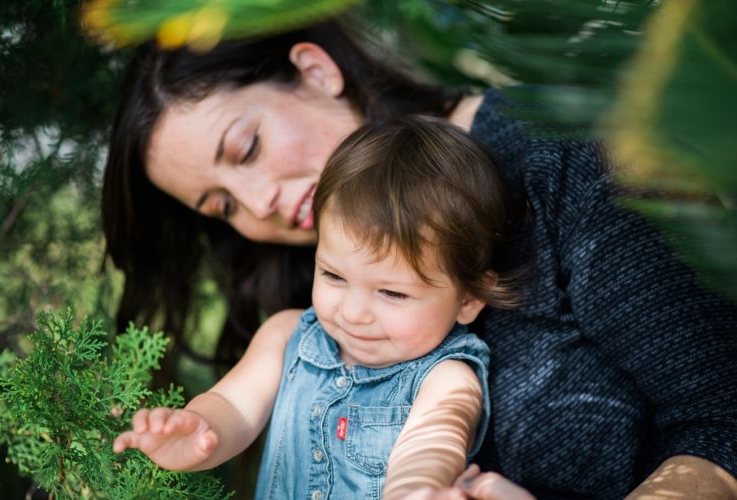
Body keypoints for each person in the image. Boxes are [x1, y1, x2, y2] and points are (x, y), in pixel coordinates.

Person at [102, 16, 737, 499]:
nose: (258, 205)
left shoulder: (560, 155)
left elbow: (720, 423)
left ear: (316, 71)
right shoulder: (315, 324)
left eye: (246, 149)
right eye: (221, 207)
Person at [113, 116, 522, 499]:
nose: (354, 312)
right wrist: (198, 429)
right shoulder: (287, 336)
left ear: (469, 298)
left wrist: (417, 489)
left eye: (392, 293)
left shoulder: (446, 377)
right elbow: (234, 407)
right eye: (333, 276)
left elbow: (430, 447)